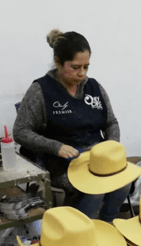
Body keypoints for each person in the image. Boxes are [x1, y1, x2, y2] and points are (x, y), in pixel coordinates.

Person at [13, 28, 131, 222]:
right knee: (96, 189)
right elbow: (20, 131)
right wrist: (55, 147)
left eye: (86, 67)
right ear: (58, 62)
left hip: (97, 159)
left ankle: (107, 223)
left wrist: (112, 146)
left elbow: (111, 122)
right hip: (63, 163)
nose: (81, 73)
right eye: (75, 67)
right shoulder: (41, 90)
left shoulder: (94, 87)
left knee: (123, 182)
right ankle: (82, 231)